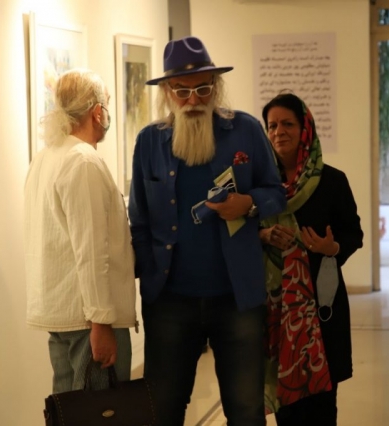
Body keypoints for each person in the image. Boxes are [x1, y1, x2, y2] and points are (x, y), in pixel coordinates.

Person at [128, 36, 286, 426]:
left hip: (236, 297)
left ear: (216, 86)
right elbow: (140, 221)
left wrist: (247, 203)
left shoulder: (245, 130)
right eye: (182, 91)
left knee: (245, 410)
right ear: (167, 92)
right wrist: (151, 276)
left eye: (202, 88)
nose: (193, 100)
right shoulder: (150, 141)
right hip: (170, 300)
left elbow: (275, 192)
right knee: (163, 409)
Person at [24, 69, 137, 393]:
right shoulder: (83, 161)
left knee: (69, 408)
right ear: (97, 112)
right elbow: (91, 250)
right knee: (102, 409)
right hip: (89, 320)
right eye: (107, 106)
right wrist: (101, 322)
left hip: (61, 315)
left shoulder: (45, 158)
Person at [259, 93, 364, 425]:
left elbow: (354, 234)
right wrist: (263, 235)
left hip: (321, 307)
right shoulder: (260, 185)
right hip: (275, 310)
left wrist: (331, 248)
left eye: (288, 124)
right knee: (286, 408)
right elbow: (240, 231)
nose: (279, 132)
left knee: (321, 406)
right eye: (272, 126)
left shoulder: (332, 181)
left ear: (305, 129)